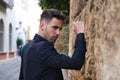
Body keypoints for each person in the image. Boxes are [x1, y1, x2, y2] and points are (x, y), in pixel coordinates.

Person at [19, 9, 86, 80]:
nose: (58, 33)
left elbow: (22, 77)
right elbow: (75, 63)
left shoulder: (27, 47)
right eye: (55, 27)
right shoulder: (43, 48)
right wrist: (80, 33)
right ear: (42, 25)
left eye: (60, 29)